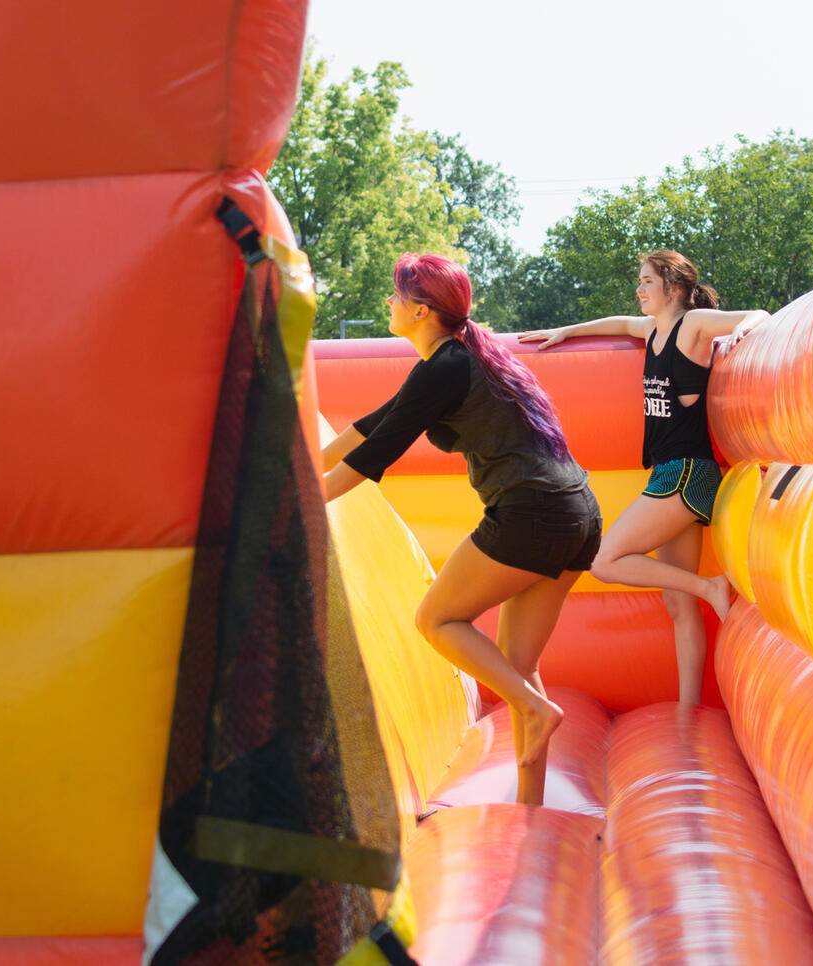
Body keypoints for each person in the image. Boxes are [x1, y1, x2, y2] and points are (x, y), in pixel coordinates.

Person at [321, 253, 602, 806]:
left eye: (397, 296)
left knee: (436, 618)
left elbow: (381, 449)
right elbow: (377, 421)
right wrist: (305, 459)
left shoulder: (448, 366)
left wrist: (305, 501)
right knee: (520, 669)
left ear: (422, 309)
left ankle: (535, 709)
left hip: (531, 514)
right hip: (578, 514)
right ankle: (531, 806)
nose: (389, 303)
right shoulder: (461, 359)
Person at [519, 250, 766, 705]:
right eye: (639, 281)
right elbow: (615, 322)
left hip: (687, 473)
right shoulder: (654, 330)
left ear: (673, 287)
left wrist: (743, 330)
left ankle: (711, 587)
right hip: (672, 473)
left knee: (604, 561)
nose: (639, 289)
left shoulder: (693, 324)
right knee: (678, 606)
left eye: (647, 281)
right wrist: (566, 331)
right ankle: (690, 710)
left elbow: (757, 313)